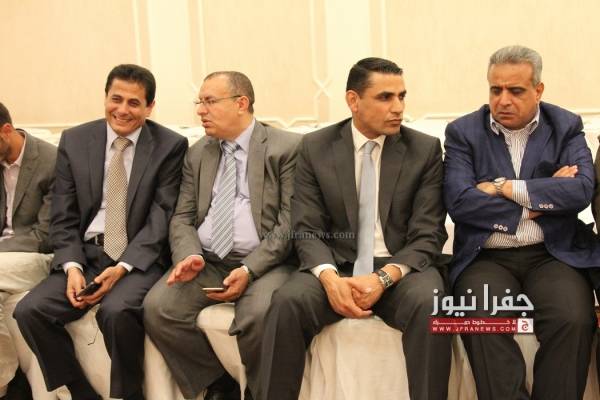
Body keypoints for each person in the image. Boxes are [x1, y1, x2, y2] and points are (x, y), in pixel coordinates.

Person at [260, 57, 451, 400]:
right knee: (287, 303)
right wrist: (329, 279)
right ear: (353, 100)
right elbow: (306, 228)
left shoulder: (423, 150)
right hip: (337, 266)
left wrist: (382, 278)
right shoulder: (315, 147)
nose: (398, 108)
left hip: (399, 269)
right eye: (385, 97)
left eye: (402, 96)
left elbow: (429, 232)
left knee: (432, 305)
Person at [13, 64, 188, 400]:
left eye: (134, 103)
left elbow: (161, 218)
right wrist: (72, 267)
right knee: (30, 311)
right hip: (87, 253)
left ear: (150, 107)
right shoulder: (75, 140)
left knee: (116, 311)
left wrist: (122, 268)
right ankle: (81, 392)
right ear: (105, 97)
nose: (122, 110)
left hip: (137, 258)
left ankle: (128, 395)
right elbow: (63, 215)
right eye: (116, 99)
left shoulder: (170, 146)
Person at [444, 45, 599, 400]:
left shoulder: (565, 125)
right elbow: (460, 202)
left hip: (552, 253)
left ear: (538, 90)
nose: (503, 100)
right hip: (485, 257)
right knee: (482, 319)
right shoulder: (463, 132)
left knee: (573, 319)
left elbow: (580, 190)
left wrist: (502, 187)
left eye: (515, 90)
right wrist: (539, 201)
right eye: (495, 89)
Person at [144, 71, 299, 400]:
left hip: (266, 263)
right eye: (199, 102)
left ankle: (258, 392)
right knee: (159, 309)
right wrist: (190, 255)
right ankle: (219, 385)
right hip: (209, 261)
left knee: (259, 315)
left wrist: (249, 270)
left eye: (210, 101)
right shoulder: (198, 152)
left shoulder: (286, 148)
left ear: (241, 103)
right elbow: (183, 216)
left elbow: (290, 223)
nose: (200, 110)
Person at [0, 102, 56, 399]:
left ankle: (3, 382)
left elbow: (44, 236)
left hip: (39, 256)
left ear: (6, 131)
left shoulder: (51, 161)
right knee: (10, 307)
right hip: (6, 266)